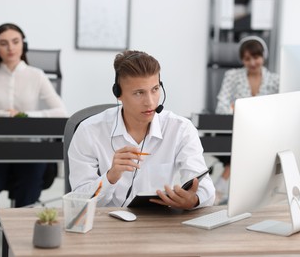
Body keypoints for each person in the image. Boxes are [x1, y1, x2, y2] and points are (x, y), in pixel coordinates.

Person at [68, 50, 215, 209]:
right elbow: (78, 202)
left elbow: (206, 189)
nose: (150, 102)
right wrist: (110, 177)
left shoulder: (181, 129)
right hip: (106, 226)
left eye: (155, 89)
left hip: (158, 224)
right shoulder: (89, 131)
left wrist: (194, 200)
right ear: (118, 93)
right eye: (139, 93)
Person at [0, 23, 68, 243]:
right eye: (3, 43)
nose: (10, 47)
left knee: (28, 191)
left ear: (24, 45)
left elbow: (61, 111)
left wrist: (23, 115)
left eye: (15, 41)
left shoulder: (36, 75)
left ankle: (21, 225)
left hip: (29, 149)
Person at [214, 36, 279, 204]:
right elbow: (222, 104)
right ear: (242, 59)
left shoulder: (275, 80)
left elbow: (279, 109)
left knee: (249, 146)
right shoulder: (232, 76)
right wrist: (237, 113)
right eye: (247, 59)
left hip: (262, 133)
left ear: (263, 56)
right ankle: (235, 191)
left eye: (256, 57)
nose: (252, 62)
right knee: (242, 146)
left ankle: (221, 186)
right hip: (235, 130)